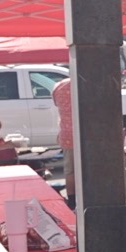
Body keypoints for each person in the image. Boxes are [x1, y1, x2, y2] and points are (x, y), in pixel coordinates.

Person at [52, 79, 76, 207]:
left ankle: (72, 200)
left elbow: (57, 105)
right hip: (88, 133)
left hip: (67, 133)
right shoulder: (89, 83)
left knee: (70, 170)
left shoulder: (60, 86)